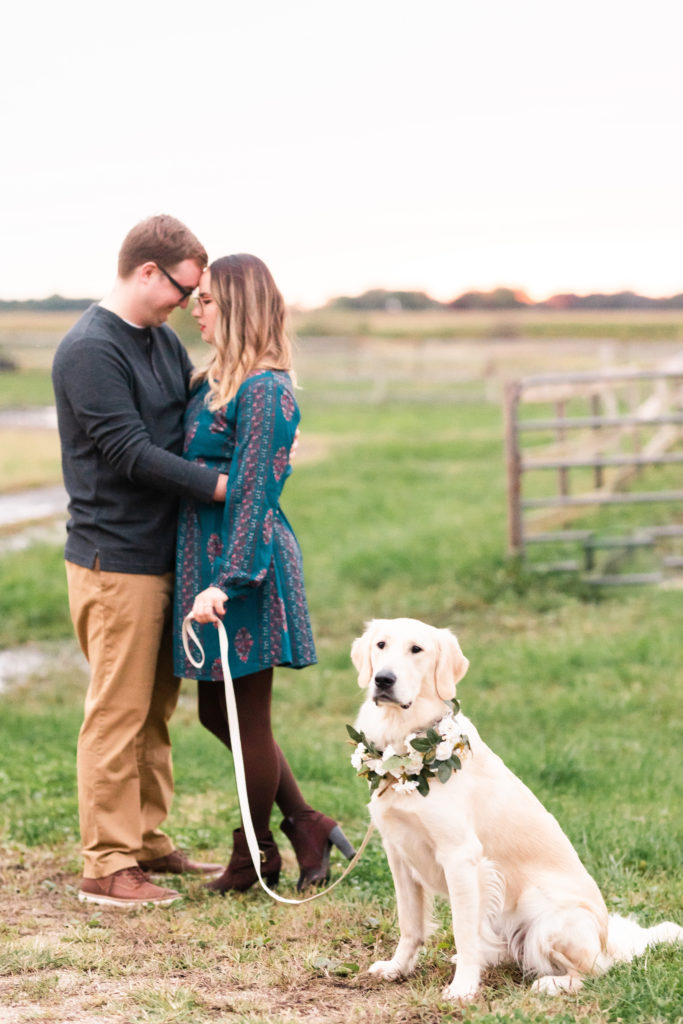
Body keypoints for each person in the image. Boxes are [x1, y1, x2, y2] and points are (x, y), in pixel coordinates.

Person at [52, 215, 226, 908]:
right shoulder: (91, 350)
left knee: (155, 708)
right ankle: (106, 863)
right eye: (182, 288)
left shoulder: (158, 339)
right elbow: (128, 452)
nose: (186, 303)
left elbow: (183, 424)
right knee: (117, 713)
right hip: (114, 556)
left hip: (162, 554)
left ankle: (147, 840)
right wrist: (219, 485)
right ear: (147, 271)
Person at [173, 254, 354, 892]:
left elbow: (253, 494)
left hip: (243, 569)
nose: (195, 311)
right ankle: (305, 824)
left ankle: (255, 856)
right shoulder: (213, 382)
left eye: (208, 301)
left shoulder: (268, 390)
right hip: (207, 565)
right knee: (216, 714)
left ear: (241, 306)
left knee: (246, 717)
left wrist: (229, 580)